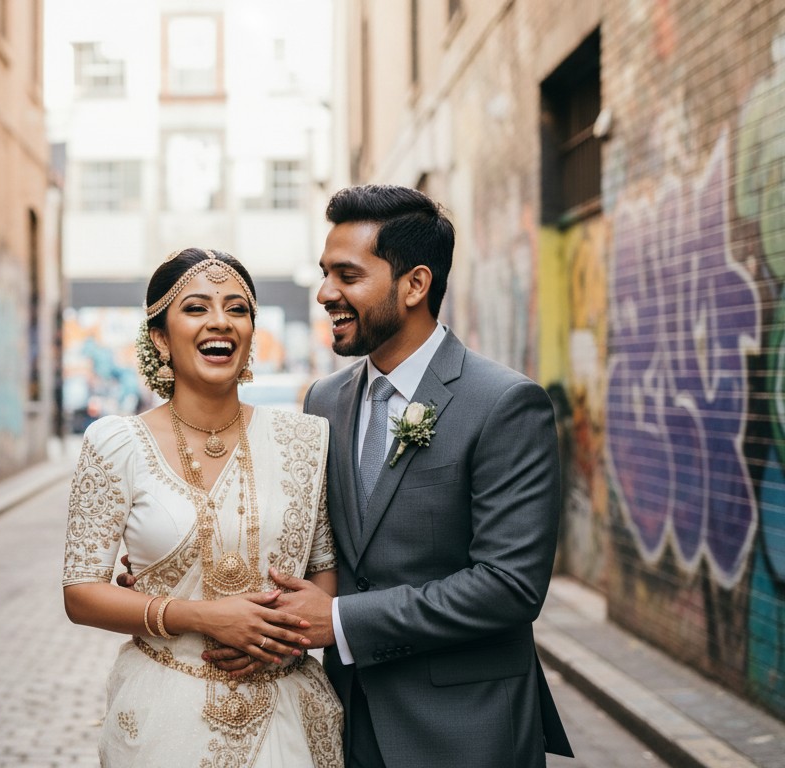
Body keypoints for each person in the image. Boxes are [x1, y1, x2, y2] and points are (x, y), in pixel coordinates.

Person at [205, 185, 573, 766]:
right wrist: (173, 573)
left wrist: (343, 621)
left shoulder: (504, 404)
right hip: (346, 719)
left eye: (347, 276)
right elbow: (306, 542)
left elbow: (510, 586)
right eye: (325, 273)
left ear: (415, 285)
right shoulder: (325, 401)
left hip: (465, 728)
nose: (326, 293)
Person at [62, 248, 345, 767]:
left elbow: (324, 571)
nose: (221, 321)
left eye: (237, 309)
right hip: (165, 714)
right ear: (160, 338)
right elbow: (81, 593)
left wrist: (279, 639)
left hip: (286, 712)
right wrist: (206, 617)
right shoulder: (116, 443)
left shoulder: (303, 438)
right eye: (196, 308)